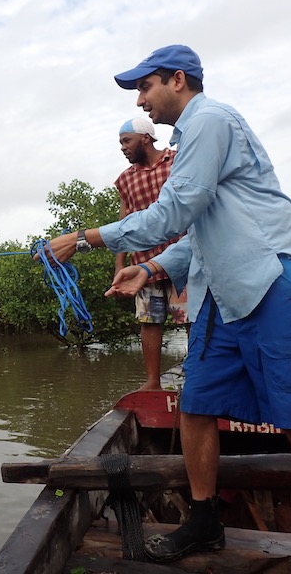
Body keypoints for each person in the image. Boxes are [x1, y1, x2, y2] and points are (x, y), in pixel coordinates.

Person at [43, 44, 291, 562]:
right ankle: (203, 521)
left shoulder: (210, 120)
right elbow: (197, 233)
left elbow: (174, 210)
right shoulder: (191, 138)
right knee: (196, 406)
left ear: (178, 80)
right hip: (223, 294)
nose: (141, 100)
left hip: (273, 280)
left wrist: (83, 237)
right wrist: (150, 268)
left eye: (144, 87)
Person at [114, 117, 187, 391]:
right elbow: (123, 224)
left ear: (145, 137)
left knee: (189, 317)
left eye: (126, 141)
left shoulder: (177, 161)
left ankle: (197, 375)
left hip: (183, 259)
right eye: (121, 142)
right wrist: (119, 266)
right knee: (149, 320)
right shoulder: (125, 179)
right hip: (143, 263)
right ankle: (153, 382)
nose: (122, 147)